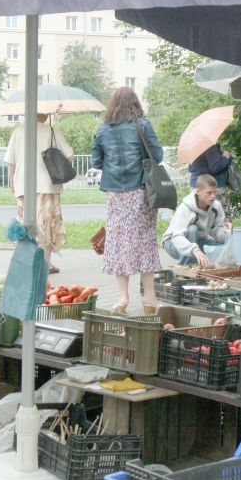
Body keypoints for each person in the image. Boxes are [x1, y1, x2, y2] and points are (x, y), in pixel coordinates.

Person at [91, 87, 163, 314]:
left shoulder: (103, 130)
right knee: (145, 242)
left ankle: (122, 298)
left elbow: (96, 162)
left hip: (115, 195)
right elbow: (158, 156)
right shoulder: (142, 125)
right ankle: (150, 299)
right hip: (141, 191)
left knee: (118, 242)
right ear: (135, 103)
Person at [6, 112, 74, 274]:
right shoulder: (52, 131)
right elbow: (69, 156)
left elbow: (10, 161)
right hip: (48, 185)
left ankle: (27, 262)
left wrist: (12, 180)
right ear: (45, 113)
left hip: (24, 185)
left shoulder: (19, 131)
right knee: (47, 224)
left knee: (26, 224)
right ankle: (46, 263)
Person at [162, 174, 233, 266]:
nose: (213, 196)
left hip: (198, 242)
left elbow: (216, 233)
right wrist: (195, 250)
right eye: (209, 193)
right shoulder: (185, 208)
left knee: (225, 251)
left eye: (215, 192)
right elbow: (177, 237)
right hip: (174, 244)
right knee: (192, 229)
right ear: (198, 191)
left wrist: (227, 232)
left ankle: (202, 266)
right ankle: (186, 269)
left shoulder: (216, 206)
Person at [189, 144, 232, 221]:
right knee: (221, 218)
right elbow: (215, 167)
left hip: (196, 186)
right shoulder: (209, 146)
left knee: (199, 218)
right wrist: (225, 157)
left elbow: (190, 167)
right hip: (212, 186)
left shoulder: (194, 146)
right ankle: (223, 233)